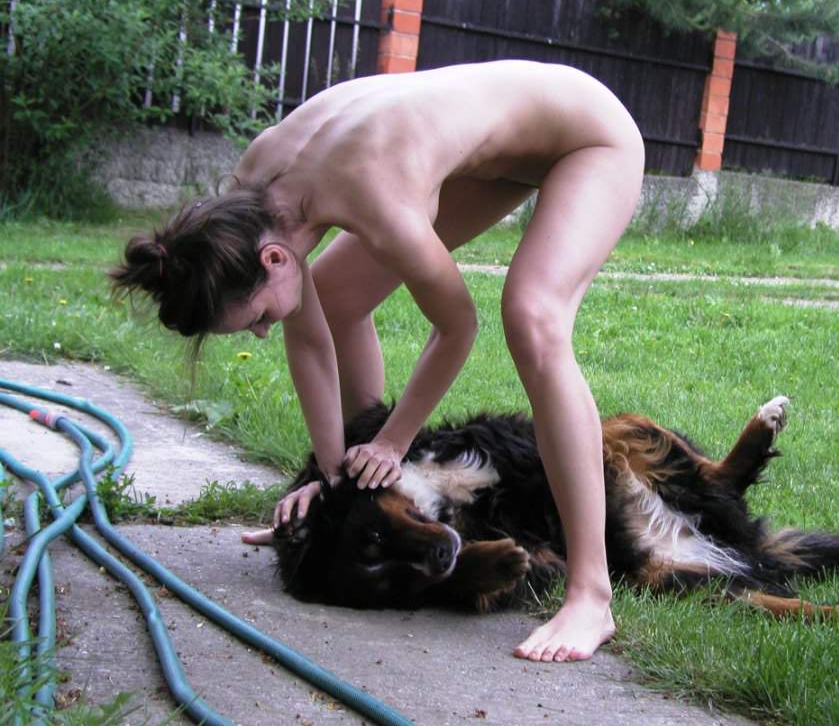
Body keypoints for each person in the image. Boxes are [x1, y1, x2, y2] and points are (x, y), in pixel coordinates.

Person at [111, 60, 645, 663]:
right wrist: (332, 484)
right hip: (502, 157)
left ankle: (590, 593)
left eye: (258, 316)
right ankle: (362, 483)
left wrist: (393, 442)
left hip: (588, 137)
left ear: (274, 260)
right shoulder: (253, 197)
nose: (263, 331)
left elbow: (456, 328)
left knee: (533, 317)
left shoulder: (376, 196)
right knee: (337, 299)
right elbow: (311, 339)